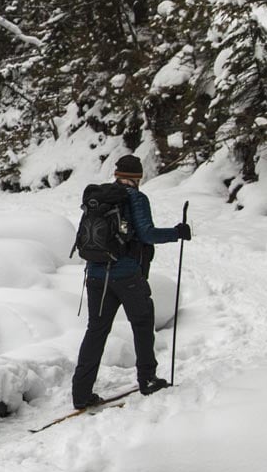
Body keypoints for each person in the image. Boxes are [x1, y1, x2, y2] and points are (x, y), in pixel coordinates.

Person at [71, 154, 191, 409]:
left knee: (96, 330)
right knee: (143, 322)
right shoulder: (135, 198)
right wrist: (176, 233)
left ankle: (80, 394)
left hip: (95, 275)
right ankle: (147, 379)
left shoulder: (98, 198)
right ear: (138, 178)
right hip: (126, 276)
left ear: (117, 174)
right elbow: (147, 234)